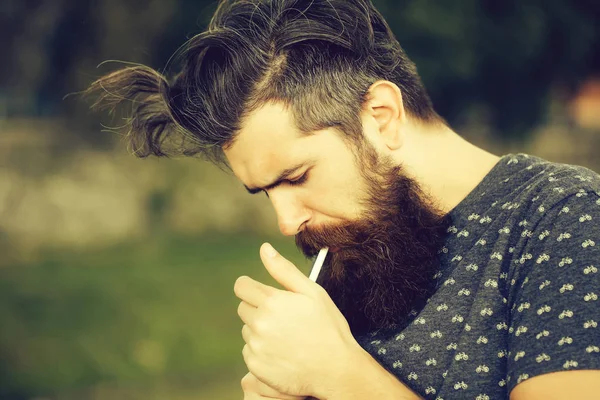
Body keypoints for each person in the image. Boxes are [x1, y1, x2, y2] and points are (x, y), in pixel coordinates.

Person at [85, 0, 600, 398]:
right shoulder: (358, 244)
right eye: (265, 192)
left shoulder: (563, 217)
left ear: (381, 116)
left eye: (296, 176)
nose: (286, 222)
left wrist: (341, 375)